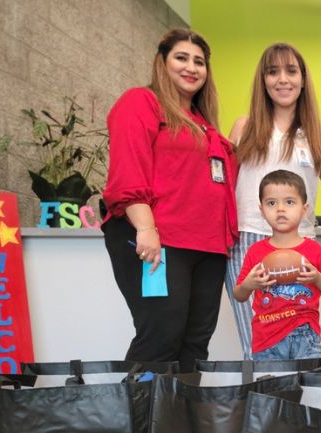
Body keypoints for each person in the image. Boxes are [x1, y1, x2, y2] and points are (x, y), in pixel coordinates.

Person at [101, 29, 238, 372]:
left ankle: (182, 417)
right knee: (160, 338)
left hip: (208, 249)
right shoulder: (141, 102)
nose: (191, 68)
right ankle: (137, 420)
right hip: (159, 242)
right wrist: (146, 228)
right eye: (181, 58)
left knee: (195, 343)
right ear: (162, 62)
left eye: (199, 62)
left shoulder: (206, 126)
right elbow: (128, 169)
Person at [226, 43, 321, 360]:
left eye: (291, 71)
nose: (283, 80)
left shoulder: (318, 134)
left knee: (300, 346)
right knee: (258, 348)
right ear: (263, 80)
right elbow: (220, 188)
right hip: (247, 239)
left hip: (300, 244)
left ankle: (296, 410)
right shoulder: (244, 127)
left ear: (303, 80)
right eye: (273, 71)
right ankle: (265, 410)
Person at [234, 170, 321, 360]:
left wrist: (317, 278)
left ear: (304, 209)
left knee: (308, 388)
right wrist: (249, 285)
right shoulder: (256, 251)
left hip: (306, 337)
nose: (280, 209)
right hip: (266, 341)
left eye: (289, 202)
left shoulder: (313, 249)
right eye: (272, 203)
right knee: (269, 389)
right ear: (261, 210)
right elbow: (239, 294)